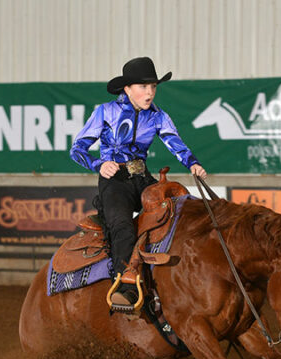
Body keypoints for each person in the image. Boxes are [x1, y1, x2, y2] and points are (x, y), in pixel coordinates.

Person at [70, 56, 207, 307]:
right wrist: (99, 164)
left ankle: (184, 276)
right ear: (127, 89)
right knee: (122, 226)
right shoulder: (105, 112)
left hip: (142, 178)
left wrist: (193, 164)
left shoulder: (158, 116)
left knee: (179, 210)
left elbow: (175, 143)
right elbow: (77, 149)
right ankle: (125, 285)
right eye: (144, 86)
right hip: (115, 182)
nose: (150, 92)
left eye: (153, 86)